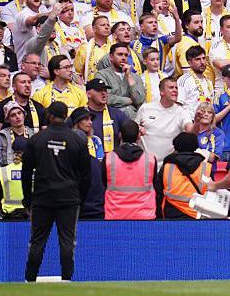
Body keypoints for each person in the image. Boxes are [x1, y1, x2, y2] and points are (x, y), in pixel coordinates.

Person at [23, 102, 91, 282]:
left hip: (42, 197)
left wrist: (28, 199)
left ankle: (29, 280)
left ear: (50, 116)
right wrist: (80, 199)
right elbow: (86, 175)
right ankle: (66, 279)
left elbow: (26, 172)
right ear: (66, 115)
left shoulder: (36, 139)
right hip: (69, 198)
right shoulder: (77, 140)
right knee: (67, 242)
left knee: (37, 241)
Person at [102, 120, 157, 220]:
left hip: (114, 214)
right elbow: (155, 184)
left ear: (120, 135)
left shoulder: (109, 158)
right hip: (145, 214)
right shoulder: (150, 159)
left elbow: (104, 183)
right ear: (138, 136)